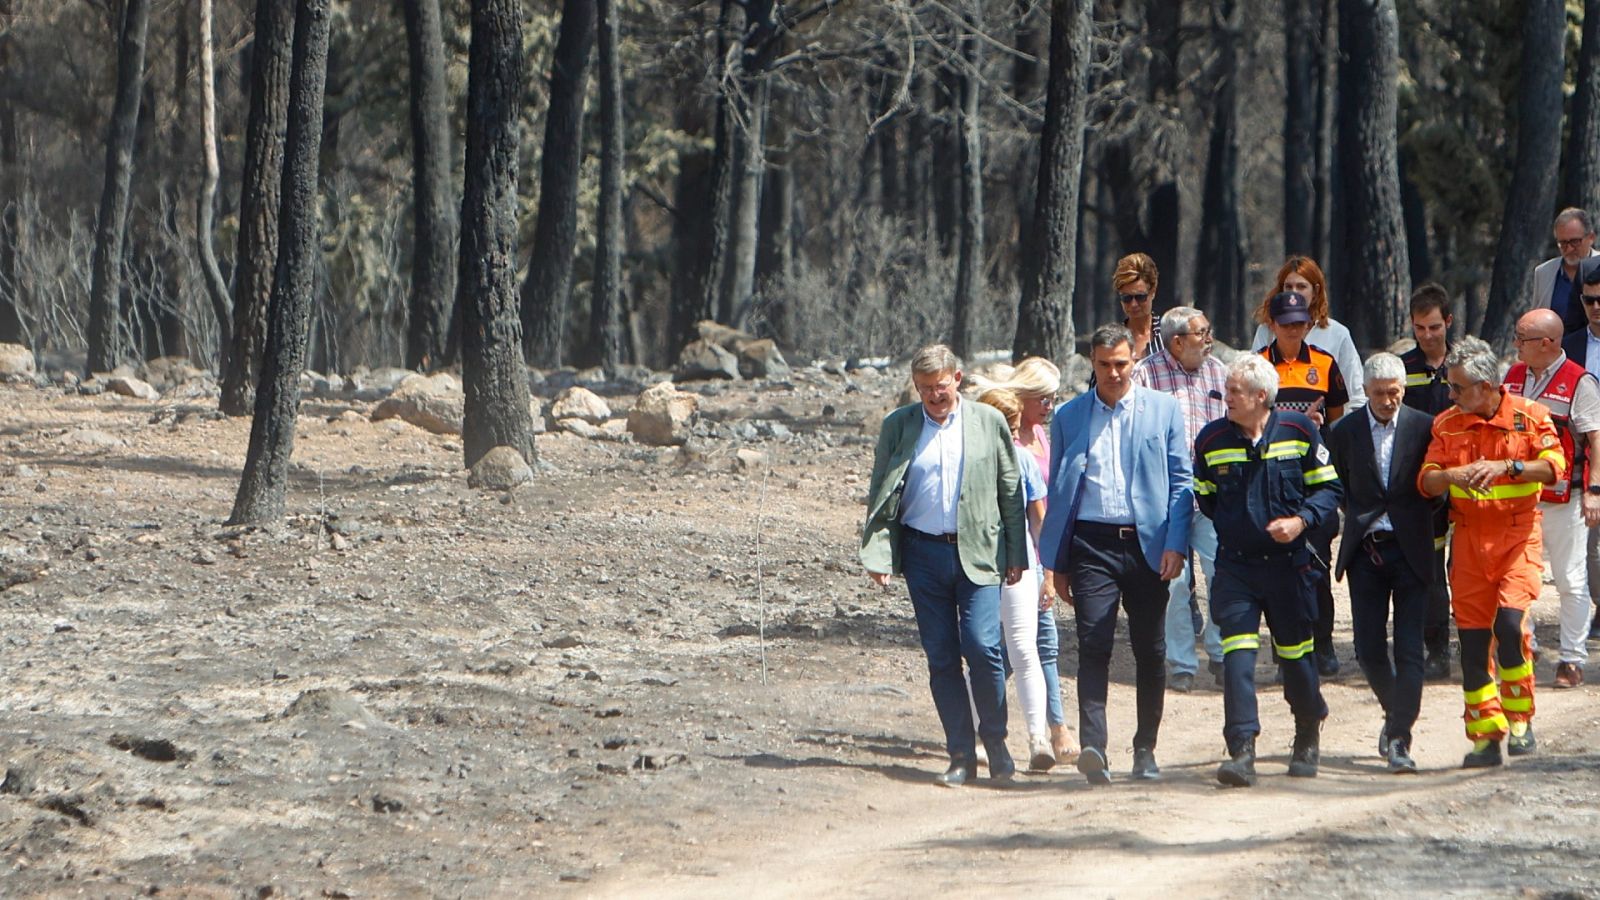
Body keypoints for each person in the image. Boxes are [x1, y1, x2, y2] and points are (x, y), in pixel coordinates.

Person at [860, 344, 1027, 787]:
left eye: (941, 386)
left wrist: (1016, 554)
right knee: (941, 656)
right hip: (923, 554)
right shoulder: (899, 426)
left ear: (958, 379)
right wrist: (879, 553)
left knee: (983, 647)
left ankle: (996, 745)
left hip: (980, 552)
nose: (935, 396)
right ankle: (960, 755)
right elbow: (881, 492)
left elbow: (1011, 490)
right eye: (925, 388)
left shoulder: (988, 422)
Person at [1039, 324, 1192, 785]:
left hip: (1148, 545)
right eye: (1104, 364)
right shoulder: (1069, 416)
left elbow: (1181, 483)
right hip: (1091, 544)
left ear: (1134, 361)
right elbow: (1059, 491)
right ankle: (1094, 748)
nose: (1113, 373)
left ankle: (1145, 749)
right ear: (1092, 363)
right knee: (1093, 643)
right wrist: (1057, 562)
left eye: (1121, 363)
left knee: (1150, 648)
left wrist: (1176, 544)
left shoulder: (1163, 410)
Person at [1193, 354, 1341, 787]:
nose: (1226, 397)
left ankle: (1308, 729)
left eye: (1235, 391)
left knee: (1295, 657)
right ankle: (1242, 750)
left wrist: (1301, 521)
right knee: (1238, 657)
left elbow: (1329, 489)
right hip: (1236, 568)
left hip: (1289, 568)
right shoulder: (1211, 439)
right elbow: (1207, 498)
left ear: (1262, 396)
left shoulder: (1300, 431)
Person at [1419, 336, 1564, 768]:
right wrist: (1452, 476)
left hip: (1518, 536)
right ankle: (1484, 735)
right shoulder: (1446, 424)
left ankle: (1520, 720)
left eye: (1458, 387)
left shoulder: (1531, 416)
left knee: (1510, 626)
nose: (1451, 395)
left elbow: (1555, 469)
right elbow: (1426, 480)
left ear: (1485, 386)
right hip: (1468, 540)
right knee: (1472, 641)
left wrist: (1508, 466)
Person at [1326, 354, 1446, 773]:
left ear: (1403, 389)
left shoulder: (1425, 427)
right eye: (1379, 393)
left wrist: (1414, 522)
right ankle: (1395, 712)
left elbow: (1437, 489)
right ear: (1365, 391)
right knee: (1369, 647)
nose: (1387, 400)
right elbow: (1338, 485)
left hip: (1411, 549)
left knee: (1411, 647)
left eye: (1394, 392)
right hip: (1366, 551)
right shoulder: (1344, 431)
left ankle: (1399, 738)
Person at [1132, 305, 1228, 692]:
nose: (1209, 339)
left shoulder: (1219, 372)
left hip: (1211, 494)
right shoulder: (1145, 375)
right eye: (1201, 333)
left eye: (1207, 330)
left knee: (1222, 571)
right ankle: (1183, 663)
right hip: (1165, 497)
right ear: (1176, 342)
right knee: (1174, 581)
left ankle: (1221, 654)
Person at [1504, 309, 1600, 689]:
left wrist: (1594, 491)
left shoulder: (1580, 382)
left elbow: (1596, 440)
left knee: (1569, 579)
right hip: (1518, 495)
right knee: (1515, 574)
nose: (1515, 344)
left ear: (1546, 343)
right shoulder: (1512, 376)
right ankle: (1526, 645)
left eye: (1521, 338)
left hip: (1566, 498)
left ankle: (1572, 658)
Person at [1258, 289, 1349, 677]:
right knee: (1277, 572)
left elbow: (1337, 420)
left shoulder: (1325, 363)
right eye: (1286, 324)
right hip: (1271, 479)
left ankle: (1323, 643)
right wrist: (1290, 423)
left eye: (1300, 323)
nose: (1294, 330)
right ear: (1272, 325)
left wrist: (1316, 428)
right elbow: (1250, 420)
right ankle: (1285, 651)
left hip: (1313, 477)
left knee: (1317, 564)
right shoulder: (1258, 364)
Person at [964, 388, 1054, 771]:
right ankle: (975, 735)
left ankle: (1038, 739)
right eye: (1009, 428)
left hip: (1020, 565)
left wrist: (1048, 574)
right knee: (980, 650)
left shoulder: (1023, 459)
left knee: (1023, 648)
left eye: (1016, 428)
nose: (1015, 436)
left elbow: (1039, 521)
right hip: (978, 564)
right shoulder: (967, 459)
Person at [1006, 357, 1080, 762]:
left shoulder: (1040, 435)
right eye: (1043, 398)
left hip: (1044, 549)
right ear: (1024, 397)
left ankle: (1049, 728)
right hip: (1023, 555)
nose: (1050, 406)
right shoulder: (1012, 444)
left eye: (1053, 398)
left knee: (1026, 647)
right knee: (1029, 645)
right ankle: (1054, 729)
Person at [1400, 284, 1456, 680]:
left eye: (1434, 327)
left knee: (1468, 568)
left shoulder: (1465, 365)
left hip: (1468, 479)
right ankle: (1436, 649)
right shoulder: (1404, 369)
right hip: (1424, 483)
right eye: (1419, 328)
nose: (1427, 335)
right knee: (1430, 570)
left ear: (1448, 322)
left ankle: (1480, 641)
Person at [1250, 256, 1366, 410]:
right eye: (1288, 287)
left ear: (1316, 291)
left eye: (1301, 287)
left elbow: (1356, 396)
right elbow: (1252, 382)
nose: (1294, 293)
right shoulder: (1266, 331)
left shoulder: (1338, 334)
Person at [1570, 261, 1600, 641]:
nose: (1596, 307)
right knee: (1593, 542)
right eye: (1590, 300)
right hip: (1584, 451)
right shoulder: (1570, 345)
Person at [1532, 207, 1599, 335]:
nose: (1569, 249)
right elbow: (1537, 319)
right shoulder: (1544, 272)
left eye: (1575, 242)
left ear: (1591, 237)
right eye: (1563, 243)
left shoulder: (1598, 265)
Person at [1113, 253, 1163, 361]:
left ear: (1153, 292)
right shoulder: (1113, 339)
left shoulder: (1168, 334)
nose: (1133, 304)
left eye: (1140, 297)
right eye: (1126, 298)